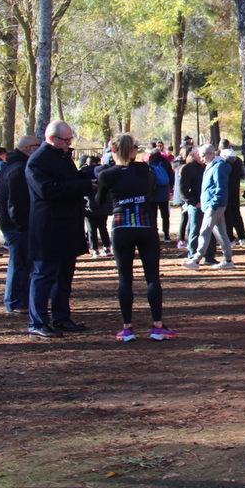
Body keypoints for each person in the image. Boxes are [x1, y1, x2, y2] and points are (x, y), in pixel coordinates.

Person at [97, 134, 176, 342]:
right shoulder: (145, 169)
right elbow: (150, 192)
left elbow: (99, 201)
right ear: (134, 151)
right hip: (146, 225)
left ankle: (127, 328)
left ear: (112, 150)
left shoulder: (107, 174)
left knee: (125, 279)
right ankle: (157, 325)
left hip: (121, 226)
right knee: (152, 277)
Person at [25, 120, 95, 339]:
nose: (69, 144)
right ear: (52, 139)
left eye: (70, 139)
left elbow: (70, 181)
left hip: (66, 225)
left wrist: (91, 174)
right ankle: (37, 321)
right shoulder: (38, 161)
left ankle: (62, 318)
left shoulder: (62, 158)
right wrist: (84, 185)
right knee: (44, 275)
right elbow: (48, 190)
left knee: (64, 276)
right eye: (66, 140)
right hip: (48, 228)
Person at [0, 136, 41, 313]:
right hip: (16, 226)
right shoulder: (18, 169)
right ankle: (14, 301)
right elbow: (15, 203)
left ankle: (21, 299)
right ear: (29, 148)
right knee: (18, 264)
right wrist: (21, 226)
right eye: (38, 146)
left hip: (20, 224)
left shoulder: (18, 166)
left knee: (25, 264)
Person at [183, 143, 235, 270]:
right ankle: (228, 259)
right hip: (211, 205)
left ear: (210, 154)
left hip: (214, 205)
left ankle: (196, 259)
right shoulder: (211, 166)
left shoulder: (218, 167)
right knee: (221, 233)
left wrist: (213, 203)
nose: (200, 158)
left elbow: (220, 187)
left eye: (202, 156)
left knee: (204, 231)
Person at [81, 155, 112, 257]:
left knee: (91, 229)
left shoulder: (84, 173)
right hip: (103, 204)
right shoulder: (105, 172)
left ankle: (94, 249)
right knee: (103, 227)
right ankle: (106, 248)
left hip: (89, 205)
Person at [219, 140, 245, 246]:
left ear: (220, 148)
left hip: (224, 189)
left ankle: (230, 239)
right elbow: (242, 173)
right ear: (230, 147)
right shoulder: (238, 160)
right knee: (236, 213)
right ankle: (242, 237)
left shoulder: (221, 160)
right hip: (235, 189)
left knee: (227, 215)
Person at [177, 146, 205, 257]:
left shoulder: (206, 166)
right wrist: (194, 203)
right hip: (196, 204)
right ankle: (192, 253)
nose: (202, 157)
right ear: (194, 155)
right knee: (194, 229)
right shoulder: (188, 168)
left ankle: (209, 254)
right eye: (200, 154)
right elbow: (183, 190)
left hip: (207, 203)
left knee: (209, 230)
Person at [147, 149, 175, 242]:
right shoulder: (165, 163)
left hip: (152, 193)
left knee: (153, 215)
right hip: (164, 192)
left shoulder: (149, 163)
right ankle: (166, 235)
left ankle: (154, 233)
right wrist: (169, 187)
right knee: (165, 215)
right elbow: (171, 176)